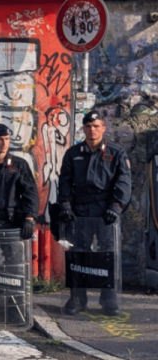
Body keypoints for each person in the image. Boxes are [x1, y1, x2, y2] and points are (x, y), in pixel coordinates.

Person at [58, 111, 132, 316]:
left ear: (103, 128)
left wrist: (116, 207)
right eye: (89, 126)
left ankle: (109, 301)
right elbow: (64, 182)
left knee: (107, 255)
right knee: (78, 256)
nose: (92, 130)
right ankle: (77, 299)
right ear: (84, 128)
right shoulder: (73, 153)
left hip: (105, 212)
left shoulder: (116, 153)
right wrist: (65, 206)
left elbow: (124, 183)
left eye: (96, 126)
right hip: (80, 212)